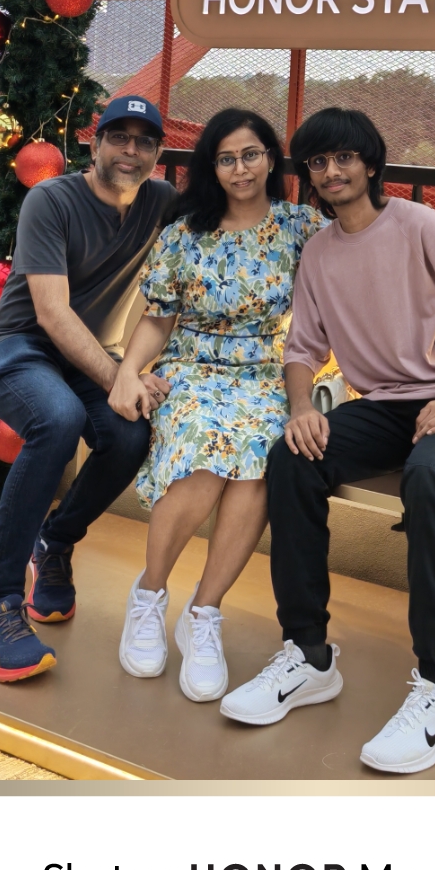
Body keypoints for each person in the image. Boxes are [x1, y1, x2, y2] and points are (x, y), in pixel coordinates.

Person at [220, 106, 435, 773]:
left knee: (430, 475)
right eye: (319, 162)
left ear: (371, 164)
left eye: (344, 158)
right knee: (291, 458)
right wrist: (300, 408)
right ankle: (309, 655)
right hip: (384, 405)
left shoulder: (419, 225)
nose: (332, 171)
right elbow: (303, 349)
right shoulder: (320, 253)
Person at [0, 96, 181, 683]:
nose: (130, 150)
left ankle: (54, 543)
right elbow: (52, 314)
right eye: (118, 137)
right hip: (20, 346)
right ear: (94, 143)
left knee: (130, 437)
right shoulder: (50, 200)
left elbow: (229, 219)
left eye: (144, 141)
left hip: (91, 357)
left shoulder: (162, 202)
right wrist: (121, 377)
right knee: (57, 419)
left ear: (158, 153)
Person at [108, 108, 323, 703]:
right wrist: (128, 371)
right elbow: (158, 318)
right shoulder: (186, 233)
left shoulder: (300, 226)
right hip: (192, 366)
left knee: (260, 462)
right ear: (212, 166)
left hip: (266, 372)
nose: (240, 168)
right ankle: (150, 595)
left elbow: (355, 269)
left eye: (250, 154)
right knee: (205, 451)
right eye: (226, 158)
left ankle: (203, 613)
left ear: (270, 159)